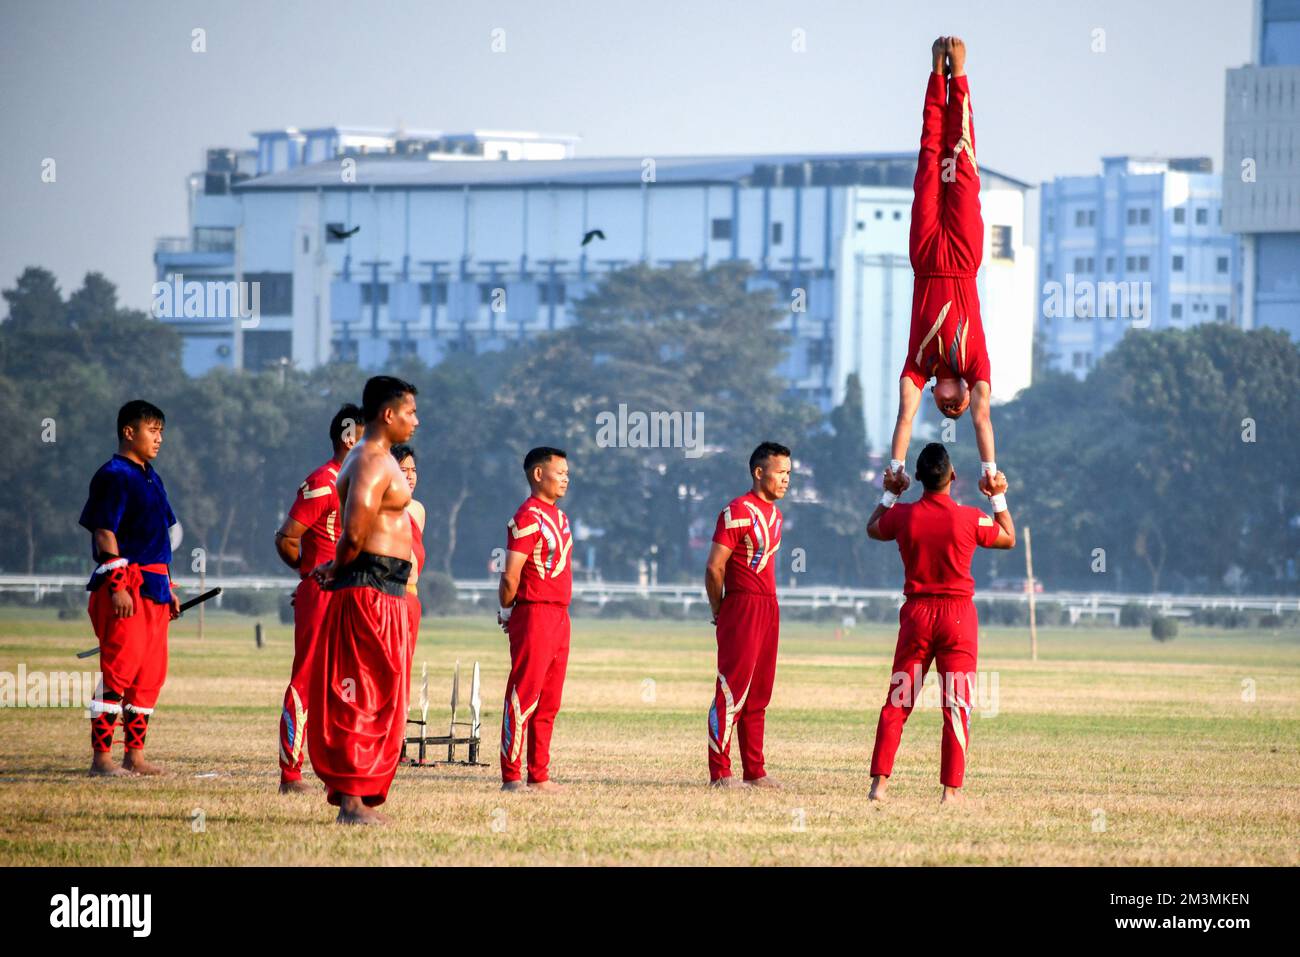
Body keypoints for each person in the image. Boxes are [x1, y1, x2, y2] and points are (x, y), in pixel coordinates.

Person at [865, 442, 1013, 803]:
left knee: (898, 701)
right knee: (957, 704)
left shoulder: (903, 517)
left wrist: (889, 492)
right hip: (958, 618)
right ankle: (950, 792)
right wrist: (997, 497)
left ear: (915, 479)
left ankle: (879, 786)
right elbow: (1007, 537)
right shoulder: (968, 517)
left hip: (916, 615)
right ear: (954, 477)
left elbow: (873, 528)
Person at [888, 36, 1000, 499]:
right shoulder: (975, 366)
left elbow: (905, 418)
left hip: (926, 258)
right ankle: (963, 75)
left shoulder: (919, 365)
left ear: (936, 393)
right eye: (959, 409)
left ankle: (937, 74)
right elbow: (983, 417)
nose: (954, 408)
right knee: (962, 156)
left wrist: (895, 472)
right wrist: (993, 479)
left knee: (931, 157)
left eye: (945, 410)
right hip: (964, 258)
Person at [307, 377, 419, 824]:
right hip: (369, 590)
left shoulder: (380, 458)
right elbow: (354, 531)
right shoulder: (372, 460)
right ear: (388, 414)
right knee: (362, 691)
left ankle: (361, 795)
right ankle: (352, 801)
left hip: (385, 590)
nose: (416, 420)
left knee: (382, 693)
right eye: (410, 412)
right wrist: (336, 567)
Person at [79, 399, 182, 777]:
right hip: (125, 589)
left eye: (161, 432)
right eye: (152, 431)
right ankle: (101, 759)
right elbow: (105, 531)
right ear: (129, 432)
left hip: (154, 589)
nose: (159, 439)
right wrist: (118, 586)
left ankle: (134, 756)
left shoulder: (152, 477)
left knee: (148, 676)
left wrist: (168, 586)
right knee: (119, 672)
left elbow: (161, 540)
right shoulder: (114, 475)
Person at [272, 403, 363, 794]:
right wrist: (309, 575)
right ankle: (291, 773)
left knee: (346, 684)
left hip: (355, 595)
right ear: (348, 438)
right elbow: (287, 537)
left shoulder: (361, 484)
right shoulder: (323, 483)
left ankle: (338, 773)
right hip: (324, 595)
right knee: (308, 678)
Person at [704, 441, 790, 788]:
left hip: (769, 604)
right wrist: (719, 609)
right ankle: (720, 772)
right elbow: (714, 567)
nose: (785, 479)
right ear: (759, 472)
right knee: (731, 690)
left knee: (759, 694)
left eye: (789, 473)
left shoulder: (776, 515)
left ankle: (755, 771)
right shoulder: (737, 511)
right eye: (780, 472)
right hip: (741, 605)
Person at [496, 447, 573, 793]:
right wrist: (508, 608)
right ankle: (512, 776)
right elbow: (511, 575)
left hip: (560, 615)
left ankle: (539, 774)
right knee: (523, 696)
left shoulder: (560, 516)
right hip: (535, 612)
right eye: (560, 472)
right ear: (538, 474)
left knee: (550, 701)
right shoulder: (527, 517)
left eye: (568, 473)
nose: (566, 479)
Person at [391, 443, 425, 656]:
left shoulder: (417, 509)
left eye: (413, 470)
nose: (410, 476)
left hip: (411, 595)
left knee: (405, 663)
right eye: (403, 471)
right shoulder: (378, 508)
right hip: (389, 596)